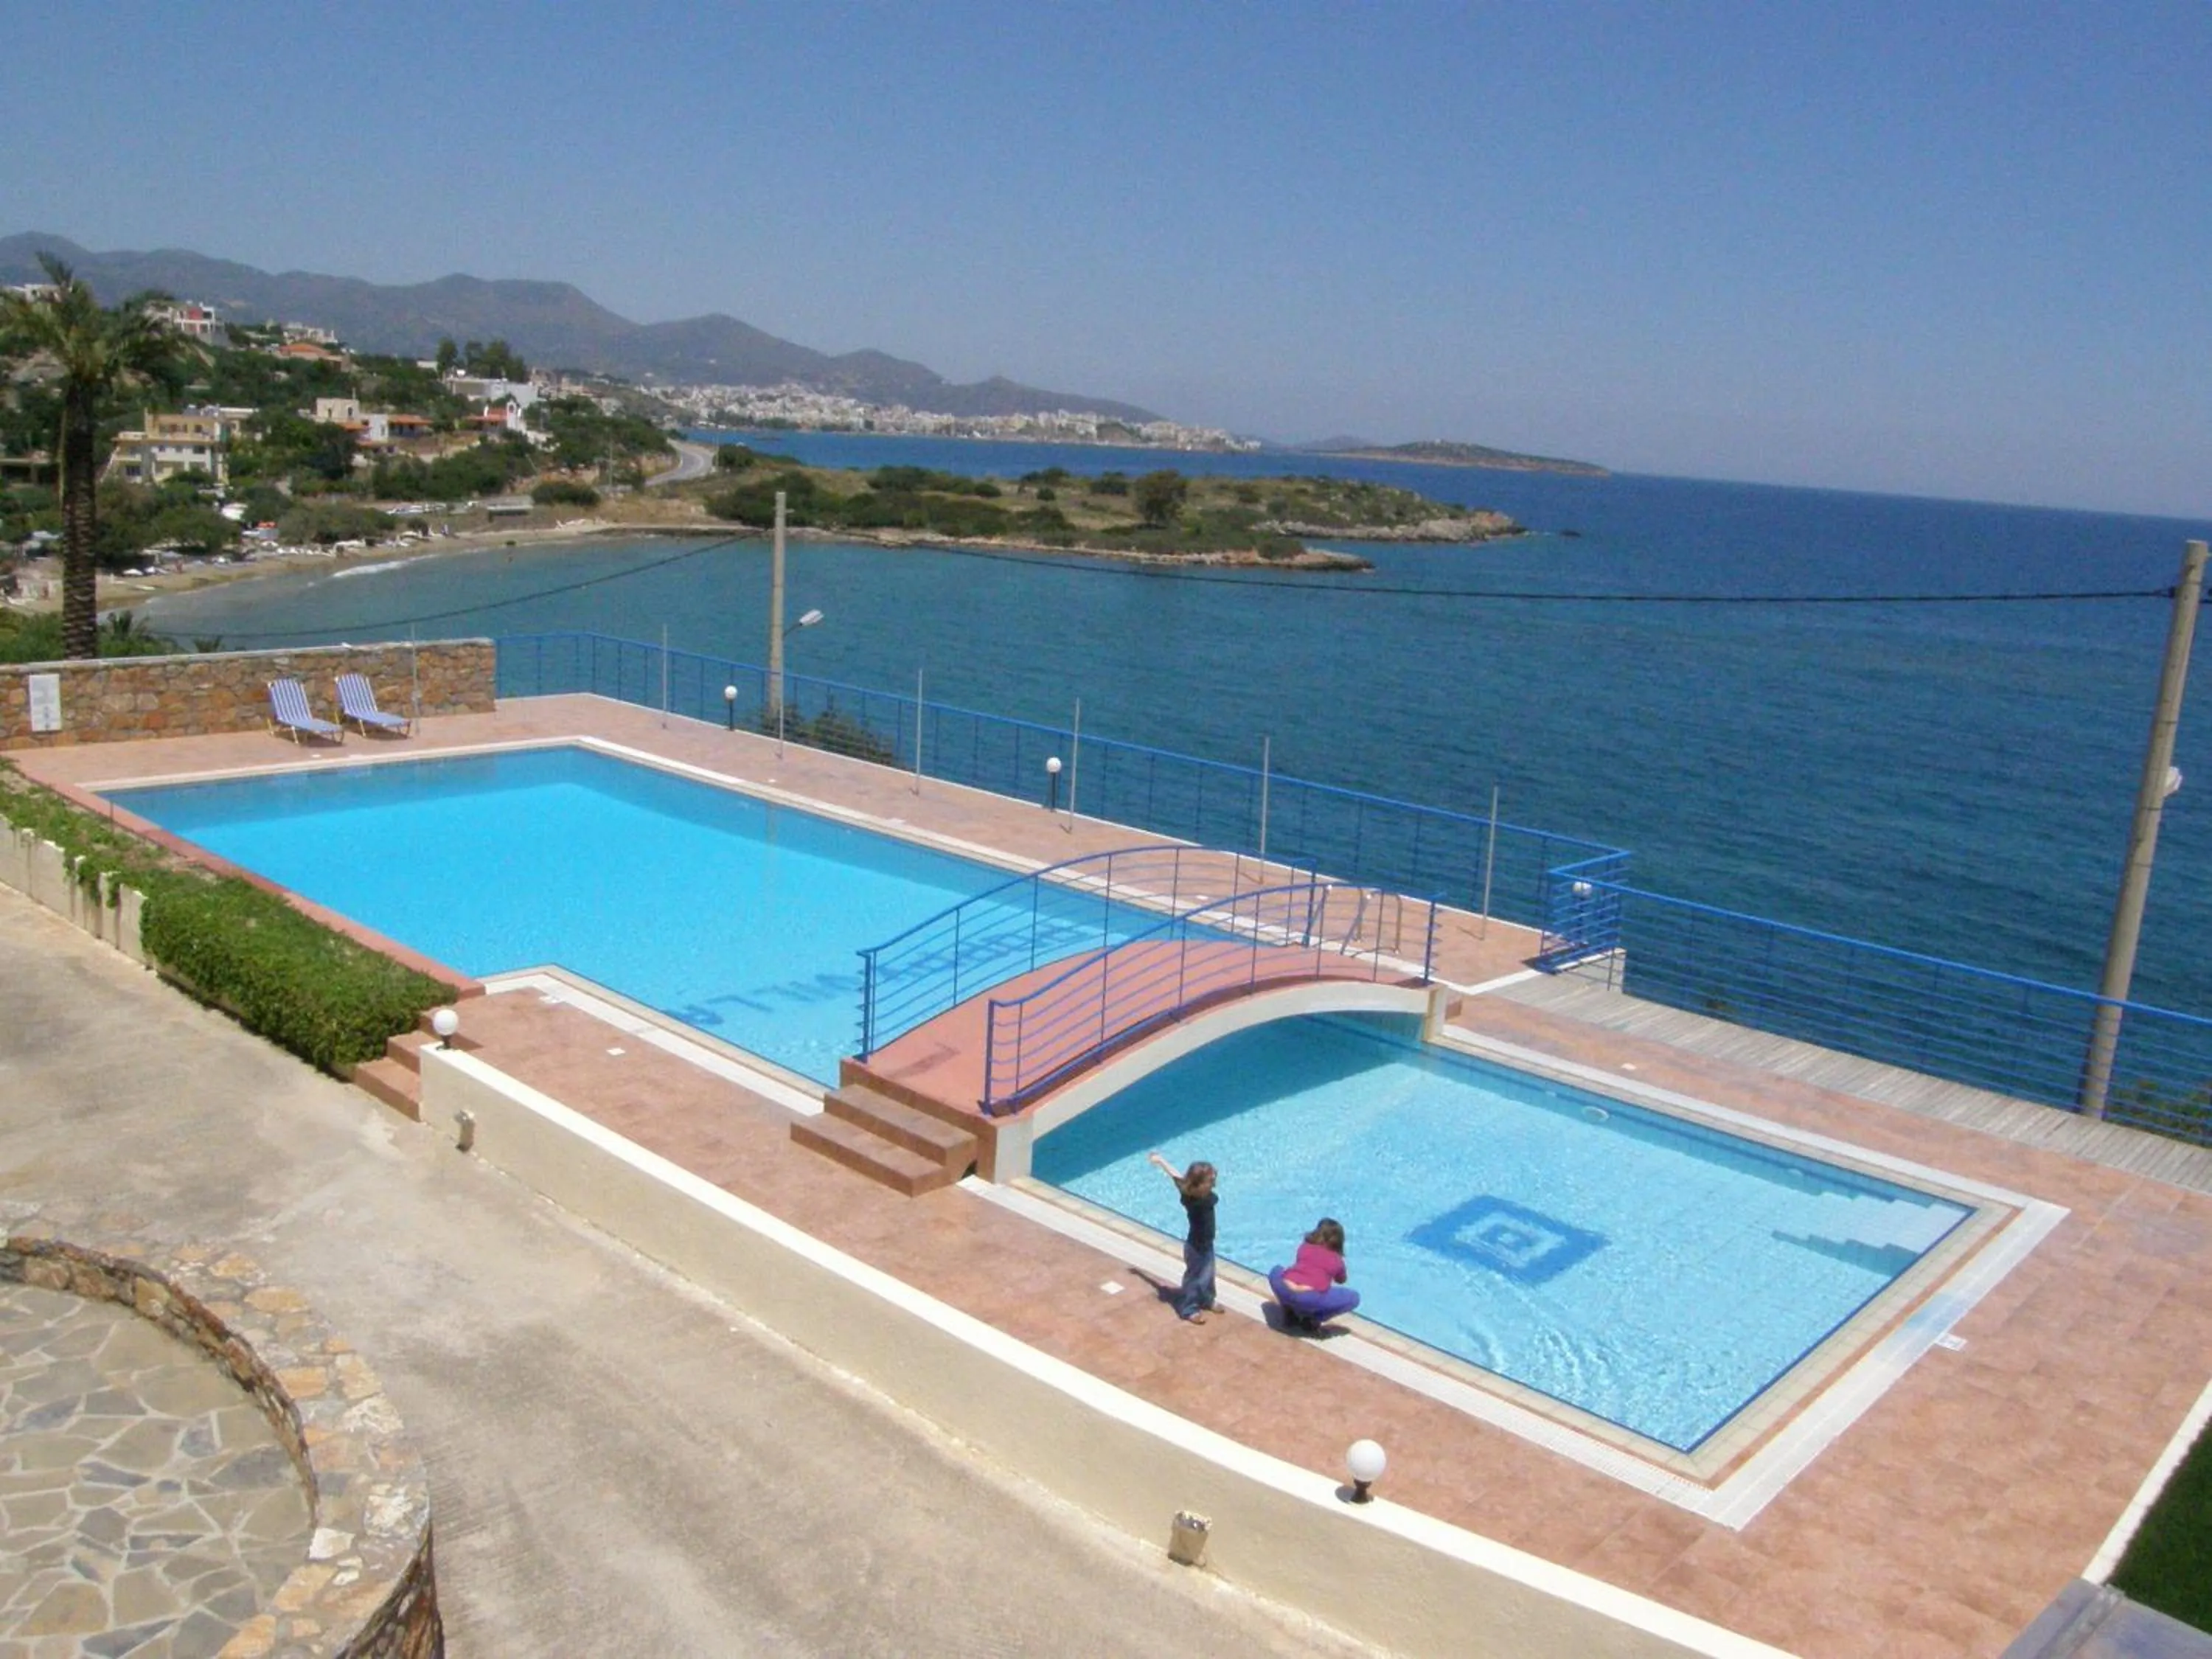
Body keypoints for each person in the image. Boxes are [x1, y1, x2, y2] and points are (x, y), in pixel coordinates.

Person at [1147, 1152, 1217, 1323]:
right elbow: (1179, 1179)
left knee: (1209, 1274)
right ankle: (1189, 1308)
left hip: (1208, 1243)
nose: (1214, 1183)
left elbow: (1176, 1175)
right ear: (1198, 1183)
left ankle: (1207, 1299)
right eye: (1210, 1180)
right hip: (1196, 1245)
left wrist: (1161, 1161)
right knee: (1194, 1278)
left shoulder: (1191, 1189)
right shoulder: (1191, 1198)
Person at [1268, 1217, 1360, 1335]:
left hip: (1284, 1288)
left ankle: (1289, 1310)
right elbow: (1341, 1280)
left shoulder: (1304, 1247)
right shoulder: (1337, 1261)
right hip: (1309, 1298)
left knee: (1276, 1270)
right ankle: (1313, 1319)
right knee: (1354, 1298)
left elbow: (1302, 1268)